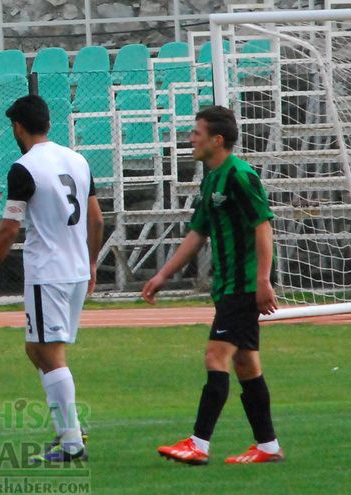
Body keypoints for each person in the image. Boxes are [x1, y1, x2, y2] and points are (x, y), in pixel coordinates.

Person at [142, 106, 284, 465]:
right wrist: (163, 275)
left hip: (243, 284)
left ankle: (198, 444)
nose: (191, 138)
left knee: (215, 355)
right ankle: (268, 446)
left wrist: (262, 280)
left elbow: (263, 226)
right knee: (247, 365)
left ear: (217, 140)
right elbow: (197, 233)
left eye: (197, 133)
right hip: (228, 284)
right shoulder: (211, 179)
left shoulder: (240, 175)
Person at [0, 95, 104, 463]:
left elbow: (9, 229)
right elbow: (97, 219)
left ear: (18, 127)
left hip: (48, 273)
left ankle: (72, 441)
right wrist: (91, 262)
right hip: (75, 270)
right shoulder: (77, 160)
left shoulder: (23, 168)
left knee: (49, 352)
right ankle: (68, 429)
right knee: (35, 349)